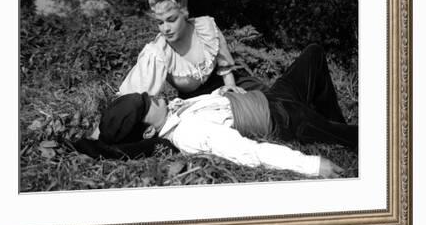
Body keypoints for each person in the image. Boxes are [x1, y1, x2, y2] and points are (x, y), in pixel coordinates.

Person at [75, 44, 357, 179]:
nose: (153, 95)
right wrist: (310, 165)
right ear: (149, 130)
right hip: (285, 118)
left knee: (314, 54)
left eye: (145, 95)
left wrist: (220, 94)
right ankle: (334, 132)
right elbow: (248, 153)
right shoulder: (188, 134)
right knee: (358, 137)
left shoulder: (173, 110)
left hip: (272, 97)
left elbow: (204, 106)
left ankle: (331, 123)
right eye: (147, 104)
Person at [118, 0, 265, 100]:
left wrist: (231, 87)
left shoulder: (206, 27)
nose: (166, 29)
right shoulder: (158, 52)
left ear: (183, 13)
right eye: (160, 22)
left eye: (171, 20)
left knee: (261, 93)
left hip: (223, 84)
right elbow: (134, 94)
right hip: (195, 100)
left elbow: (225, 68)